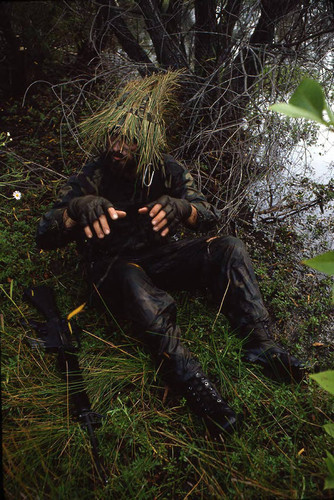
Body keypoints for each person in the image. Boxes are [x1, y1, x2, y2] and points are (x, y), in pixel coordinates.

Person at [36, 72, 305, 436]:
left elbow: (207, 215)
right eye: (114, 136)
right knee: (131, 276)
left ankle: (261, 344)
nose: (118, 147)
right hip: (113, 270)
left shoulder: (165, 168)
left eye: (129, 140)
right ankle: (191, 380)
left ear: (146, 141)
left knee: (230, 248)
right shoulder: (94, 173)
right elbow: (44, 233)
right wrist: (75, 211)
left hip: (161, 259)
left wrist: (181, 209)